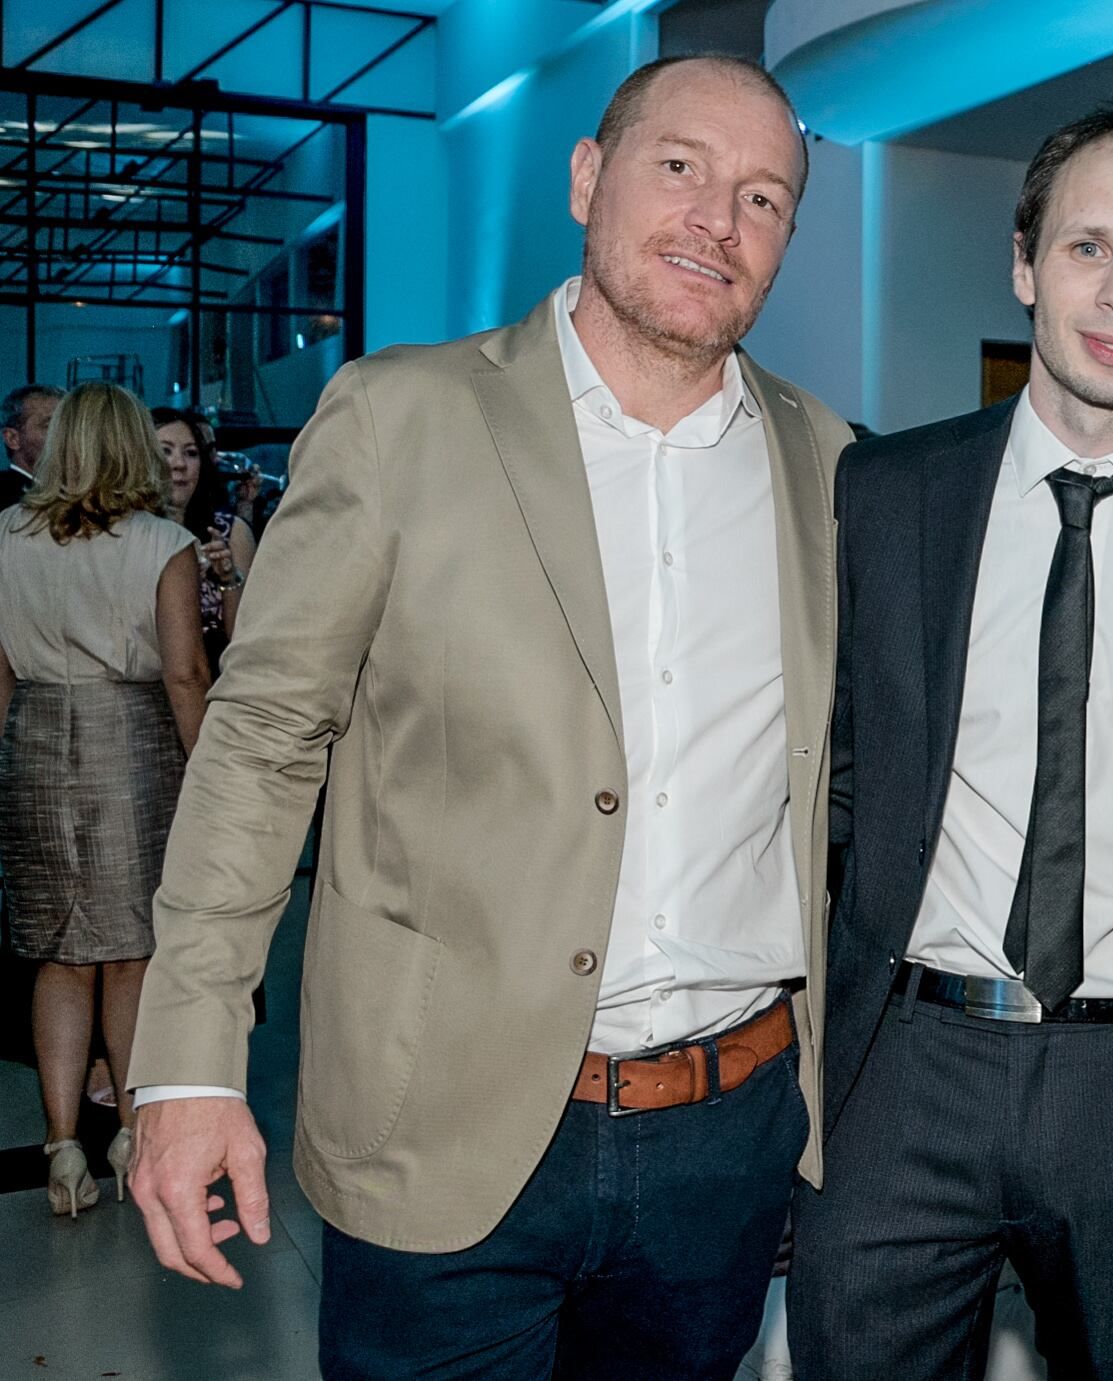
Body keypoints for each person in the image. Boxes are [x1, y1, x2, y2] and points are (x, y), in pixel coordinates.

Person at [123, 54, 850, 1381]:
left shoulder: (831, 463)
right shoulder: (405, 416)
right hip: (439, 1120)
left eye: (763, 197)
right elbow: (263, 740)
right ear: (586, 176)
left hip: (723, 1139)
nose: (716, 217)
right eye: (678, 165)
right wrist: (186, 1065)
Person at [788, 103, 1113, 1380]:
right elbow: (833, 781)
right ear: (1023, 261)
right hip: (901, 1073)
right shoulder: (883, 495)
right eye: (1089, 248)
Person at [0, 381, 211, 1218]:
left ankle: (60, 1145)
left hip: (36, 742)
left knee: (57, 954)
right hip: (134, 746)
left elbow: (0, 674)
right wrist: (210, 777)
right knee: (129, 953)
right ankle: (128, 1128)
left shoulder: (5, 535)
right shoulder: (162, 542)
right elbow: (186, 675)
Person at [153, 408, 257, 674]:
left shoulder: (230, 531)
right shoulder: (129, 535)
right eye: (166, 451)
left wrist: (227, 578)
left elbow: (244, 642)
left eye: (191, 453)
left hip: (219, 677)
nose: (179, 464)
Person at [1, 383, 62, 509]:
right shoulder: (7, 502)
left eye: (67, 425)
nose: (65, 435)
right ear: (12, 438)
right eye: (49, 426)